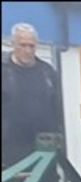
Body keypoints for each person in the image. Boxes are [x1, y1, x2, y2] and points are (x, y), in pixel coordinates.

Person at [2, 22, 62, 168]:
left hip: (44, 149)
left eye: (31, 46)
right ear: (13, 44)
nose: (28, 50)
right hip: (11, 151)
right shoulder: (4, 71)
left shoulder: (47, 73)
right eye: (22, 45)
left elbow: (58, 109)